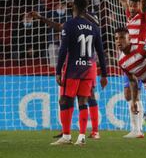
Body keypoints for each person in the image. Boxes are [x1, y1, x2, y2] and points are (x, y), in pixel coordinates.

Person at [30, 8, 102, 139]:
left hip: (87, 64)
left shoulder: (90, 18)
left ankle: (95, 131)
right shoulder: (72, 24)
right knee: (66, 98)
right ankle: (66, 130)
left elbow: (97, 24)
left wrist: (84, 12)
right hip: (75, 65)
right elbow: (58, 26)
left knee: (88, 96)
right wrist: (41, 18)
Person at [51, 0, 108, 145]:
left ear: (74, 6)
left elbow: (63, 50)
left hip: (73, 69)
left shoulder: (69, 25)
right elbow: (101, 52)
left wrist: (58, 71)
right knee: (83, 101)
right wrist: (104, 74)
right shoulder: (94, 27)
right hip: (89, 69)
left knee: (65, 100)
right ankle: (81, 137)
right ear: (86, 8)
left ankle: (67, 136)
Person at [113, 0, 146, 138]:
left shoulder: (143, 17)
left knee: (135, 91)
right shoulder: (129, 15)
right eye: (132, 5)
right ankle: (136, 128)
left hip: (139, 58)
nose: (133, 7)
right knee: (128, 94)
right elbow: (122, 0)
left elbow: (145, 1)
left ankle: (138, 130)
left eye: (135, 5)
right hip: (128, 58)